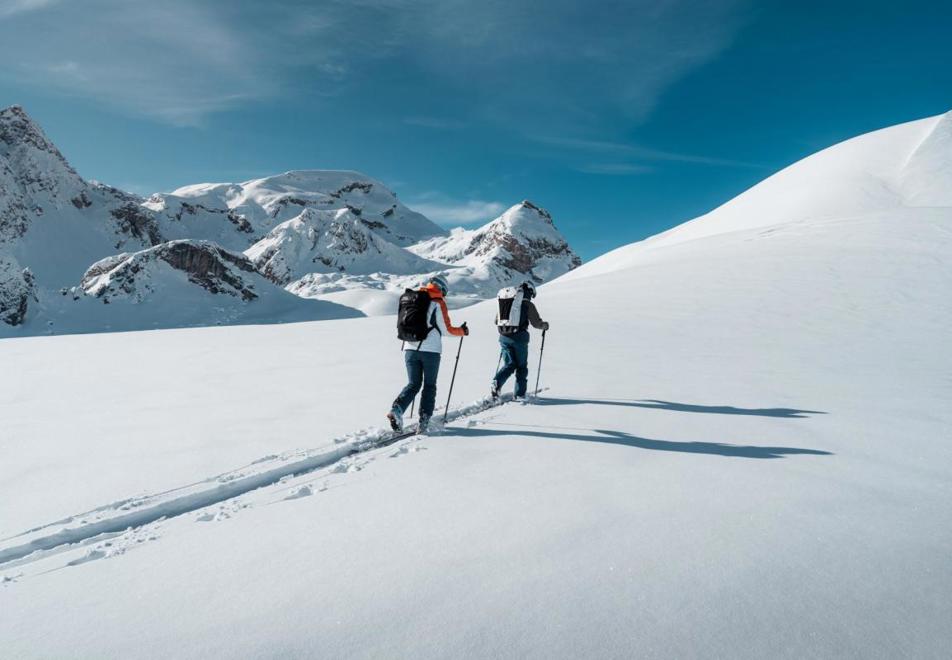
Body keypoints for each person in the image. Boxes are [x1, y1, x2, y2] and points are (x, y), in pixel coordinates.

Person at [388, 275, 468, 432]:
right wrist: (462, 331)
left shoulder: (412, 299)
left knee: (413, 384)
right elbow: (447, 330)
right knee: (429, 386)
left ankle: (396, 410)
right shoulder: (438, 303)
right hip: (430, 352)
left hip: (410, 348)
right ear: (442, 289)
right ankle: (424, 421)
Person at [491, 281, 548, 400]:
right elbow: (536, 323)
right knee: (521, 367)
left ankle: (497, 382)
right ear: (530, 292)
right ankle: (520, 394)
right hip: (520, 339)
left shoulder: (507, 300)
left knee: (509, 364)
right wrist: (545, 325)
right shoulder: (527, 304)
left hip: (504, 337)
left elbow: (496, 321)